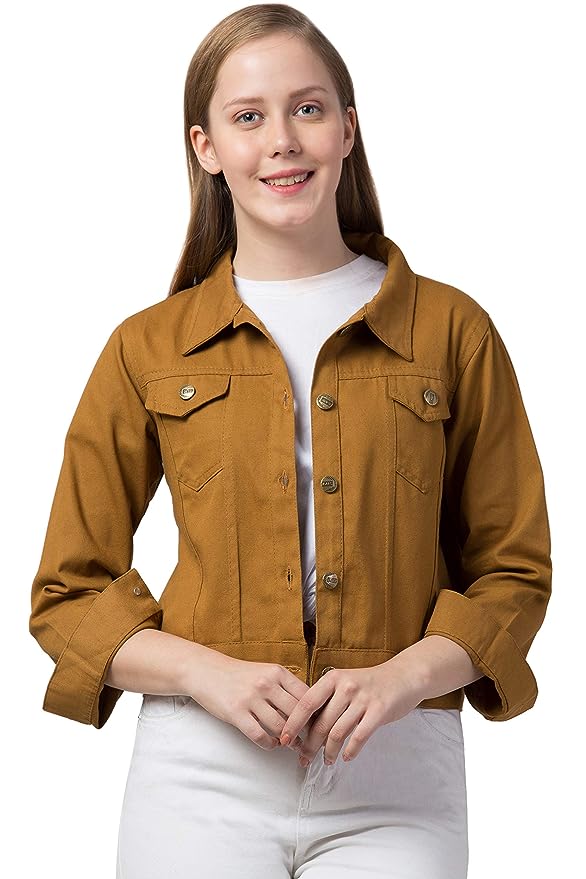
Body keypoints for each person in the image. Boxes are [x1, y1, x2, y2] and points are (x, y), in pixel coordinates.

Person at [28, 4, 552, 877]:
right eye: (249, 116)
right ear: (206, 148)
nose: (282, 140)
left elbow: (514, 571)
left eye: (307, 108)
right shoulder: (145, 347)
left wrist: (404, 676)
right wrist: (204, 672)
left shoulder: (453, 331)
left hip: (397, 769)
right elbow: (67, 591)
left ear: (347, 128)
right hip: (199, 768)